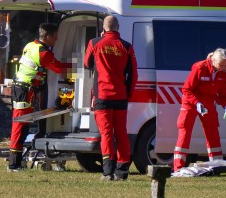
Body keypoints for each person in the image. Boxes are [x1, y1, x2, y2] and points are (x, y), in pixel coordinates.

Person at [8, 23, 71, 171]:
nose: (57, 39)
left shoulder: (30, 45)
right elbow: (59, 68)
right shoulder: (43, 53)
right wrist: (80, 67)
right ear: (48, 36)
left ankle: (17, 161)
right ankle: (13, 164)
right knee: (19, 125)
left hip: (22, 88)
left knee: (22, 125)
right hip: (25, 90)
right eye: (55, 37)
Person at [84, 15, 138, 180]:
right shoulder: (127, 46)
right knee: (121, 132)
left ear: (104, 28)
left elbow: (87, 63)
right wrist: (128, 93)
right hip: (121, 96)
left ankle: (108, 172)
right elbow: (133, 74)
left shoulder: (94, 43)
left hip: (102, 95)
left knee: (106, 133)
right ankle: (122, 171)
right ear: (118, 28)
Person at [173, 48, 226, 171]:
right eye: (220, 65)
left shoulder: (223, 72)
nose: (222, 68)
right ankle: (178, 167)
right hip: (191, 102)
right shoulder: (200, 67)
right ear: (213, 60)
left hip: (209, 102)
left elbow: (222, 94)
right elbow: (186, 89)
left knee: (213, 133)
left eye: (225, 65)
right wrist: (197, 103)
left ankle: (217, 166)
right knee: (185, 133)